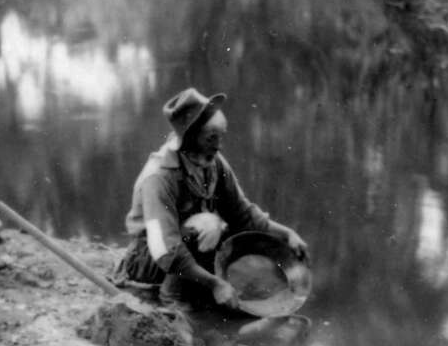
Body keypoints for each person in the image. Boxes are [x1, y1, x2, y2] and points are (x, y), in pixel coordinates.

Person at [115, 87, 308, 309]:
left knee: (228, 230)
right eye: (211, 138)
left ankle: (203, 288)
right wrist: (215, 284)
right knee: (207, 224)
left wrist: (287, 234)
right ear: (189, 138)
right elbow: (163, 249)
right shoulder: (158, 177)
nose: (218, 146)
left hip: (186, 252)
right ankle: (172, 299)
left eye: (220, 137)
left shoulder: (213, 162)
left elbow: (241, 214)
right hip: (150, 262)